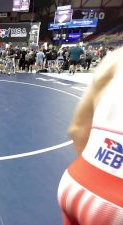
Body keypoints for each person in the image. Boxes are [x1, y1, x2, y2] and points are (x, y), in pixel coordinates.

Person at [58, 46, 123, 225]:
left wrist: (96, 172)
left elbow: (77, 130)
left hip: (77, 181)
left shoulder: (115, 57)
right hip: (116, 201)